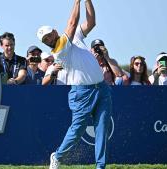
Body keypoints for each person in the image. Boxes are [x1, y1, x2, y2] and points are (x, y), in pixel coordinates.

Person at [37, 0, 112, 169]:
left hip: (102, 88)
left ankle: (101, 166)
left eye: (49, 34)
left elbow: (91, 22)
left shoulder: (73, 36)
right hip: (82, 93)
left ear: (55, 31)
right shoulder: (58, 50)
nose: (48, 38)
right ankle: (57, 155)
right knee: (77, 130)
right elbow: (71, 23)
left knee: (102, 129)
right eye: (45, 39)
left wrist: (87, 1)